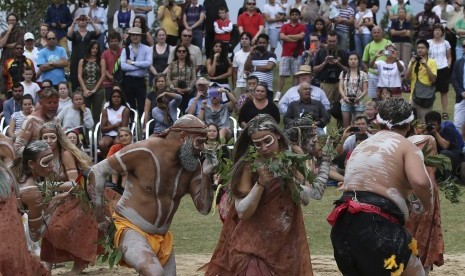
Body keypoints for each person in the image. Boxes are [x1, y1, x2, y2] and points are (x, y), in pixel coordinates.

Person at [204, 114, 330, 275]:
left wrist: (290, 180)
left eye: (267, 141)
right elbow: (242, 211)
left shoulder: (290, 159)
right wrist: (261, 183)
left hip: (284, 246)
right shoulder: (249, 165)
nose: (264, 148)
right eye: (258, 144)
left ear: (277, 135)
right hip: (252, 249)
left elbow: (305, 199)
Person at [88, 114, 215, 275]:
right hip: (130, 228)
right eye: (199, 142)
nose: (202, 149)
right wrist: (100, 218)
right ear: (183, 137)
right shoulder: (144, 151)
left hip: (163, 238)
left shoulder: (193, 166)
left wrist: (206, 174)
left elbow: (204, 209)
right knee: (155, 273)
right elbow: (97, 172)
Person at [328, 97, 433, 276]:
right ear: (408, 125)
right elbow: (421, 182)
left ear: (378, 122)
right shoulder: (407, 146)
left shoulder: (361, 147)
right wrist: (427, 204)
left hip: (343, 229)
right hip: (377, 229)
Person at [38, 122, 95, 274]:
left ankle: (79, 265)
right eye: (45, 138)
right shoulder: (43, 156)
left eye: (52, 137)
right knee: (48, 228)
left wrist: (51, 187)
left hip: (79, 197)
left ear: (58, 138)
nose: (49, 141)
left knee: (58, 227)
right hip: (60, 197)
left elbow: (75, 184)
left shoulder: (65, 154)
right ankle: (46, 265)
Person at [405, 134, 445, 275]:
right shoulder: (428, 139)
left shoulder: (401, 141)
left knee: (416, 235)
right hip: (420, 192)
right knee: (420, 235)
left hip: (411, 192)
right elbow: (430, 175)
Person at [14, 87, 60, 156]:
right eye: (49, 102)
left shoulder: (56, 120)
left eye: (55, 103)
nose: (53, 106)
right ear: (41, 103)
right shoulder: (31, 121)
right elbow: (17, 148)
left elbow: (63, 143)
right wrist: (38, 154)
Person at [121, 27, 152, 116]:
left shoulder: (147, 49)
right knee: (130, 106)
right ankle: (131, 126)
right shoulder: (125, 49)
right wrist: (140, 67)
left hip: (140, 80)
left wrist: (133, 63)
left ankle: (142, 127)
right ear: (130, 36)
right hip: (128, 80)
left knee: (142, 105)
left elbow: (148, 63)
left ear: (140, 36)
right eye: (133, 35)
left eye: (137, 35)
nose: (135, 37)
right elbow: (123, 66)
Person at [404, 39, 437, 123]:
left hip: (426, 98)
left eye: (422, 48)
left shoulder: (432, 62)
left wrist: (425, 64)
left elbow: (433, 79)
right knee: (410, 123)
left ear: (427, 49)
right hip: (413, 98)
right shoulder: (413, 61)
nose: (419, 49)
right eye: (418, 48)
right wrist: (411, 63)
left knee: (424, 123)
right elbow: (406, 77)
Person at [277, 8, 306, 101]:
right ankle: (278, 93)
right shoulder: (285, 26)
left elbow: (301, 36)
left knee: (296, 74)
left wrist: (288, 36)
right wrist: (294, 38)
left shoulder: (302, 26)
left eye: (296, 14)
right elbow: (282, 37)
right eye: (292, 14)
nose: (294, 16)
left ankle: (294, 93)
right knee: (282, 74)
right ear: (290, 15)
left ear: (298, 15)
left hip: (298, 53)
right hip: (285, 53)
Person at [313, 31, 349, 107]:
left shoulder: (343, 53)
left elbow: (347, 70)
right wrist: (324, 63)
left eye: (334, 41)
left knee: (340, 107)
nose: (332, 43)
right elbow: (315, 70)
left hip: (339, 83)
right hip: (326, 83)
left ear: (337, 41)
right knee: (325, 107)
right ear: (326, 40)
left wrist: (338, 64)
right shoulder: (321, 52)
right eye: (330, 41)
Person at [424, 111, 464, 178]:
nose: (432, 127)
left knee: (444, 153)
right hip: (443, 162)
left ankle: (449, 179)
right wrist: (425, 134)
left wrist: (435, 133)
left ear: (439, 123)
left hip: (456, 159)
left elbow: (445, 146)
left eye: (434, 124)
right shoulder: (429, 133)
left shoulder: (447, 129)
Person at [67, 14, 101, 91]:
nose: (82, 21)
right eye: (80, 20)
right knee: (75, 80)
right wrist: (73, 23)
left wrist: (91, 22)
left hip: (87, 59)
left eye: (84, 19)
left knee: (86, 78)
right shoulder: (75, 33)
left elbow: (98, 33)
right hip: (76, 59)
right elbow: (69, 36)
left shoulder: (90, 33)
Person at [77, 40, 106, 124]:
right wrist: (85, 89)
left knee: (96, 114)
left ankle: (96, 133)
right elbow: (79, 76)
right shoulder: (82, 61)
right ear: (89, 48)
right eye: (93, 48)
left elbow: (103, 75)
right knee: (85, 112)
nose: (95, 50)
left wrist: (95, 89)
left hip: (98, 91)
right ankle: (85, 133)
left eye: (96, 48)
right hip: (85, 90)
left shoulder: (101, 61)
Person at [428, 24, 452, 120]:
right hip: (431, 69)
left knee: (444, 91)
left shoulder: (446, 43)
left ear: (442, 32)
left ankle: (444, 111)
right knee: (430, 91)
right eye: (435, 30)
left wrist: (448, 65)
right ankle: (430, 111)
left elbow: (449, 56)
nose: (437, 32)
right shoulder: (428, 42)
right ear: (433, 31)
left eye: (439, 30)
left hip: (443, 68)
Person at [98, 86, 130, 157]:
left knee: (117, 142)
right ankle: (108, 159)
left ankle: (116, 161)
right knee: (102, 143)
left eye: (118, 97)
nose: (116, 98)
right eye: (114, 96)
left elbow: (123, 129)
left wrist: (109, 125)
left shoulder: (125, 110)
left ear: (121, 98)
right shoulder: (106, 110)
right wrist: (115, 125)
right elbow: (102, 129)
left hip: (120, 134)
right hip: (108, 135)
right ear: (111, 98)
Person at [339, 52, 369, 128]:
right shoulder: (343, 73)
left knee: (359, 124)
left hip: (358, 101)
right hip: (345, 101)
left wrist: (359, 98)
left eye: (355, 59)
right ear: (348, 61)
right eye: (351, 59)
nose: (353, 61)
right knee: (346, 125)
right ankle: (346, 139)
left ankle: (358, 139)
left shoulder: (363, 74)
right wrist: (344, 97)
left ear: (358, 61)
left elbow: (365, 90)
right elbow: (340, 87)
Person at [362, 26, 392, 100]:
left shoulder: (388, 43)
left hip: (386, 74)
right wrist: (368, 72)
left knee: (386, 95)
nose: (376, 34)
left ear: (382, 33)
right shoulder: (368, 46)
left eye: (378, 32)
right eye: (374, 32)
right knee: (374, 97)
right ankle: (375, 110)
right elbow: (364, 61)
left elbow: (393, 56)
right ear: (372, 34)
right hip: (373, 75)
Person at [166, 44, 196, 113]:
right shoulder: (172, 64)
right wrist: (174, 88)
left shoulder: (190, 64)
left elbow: (194, 78)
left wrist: (187, 89)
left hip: (187, 93)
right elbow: (168, 77)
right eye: (179, 51)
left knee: (186, 112)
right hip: (174, 92)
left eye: (183, 51)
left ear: (186, 53)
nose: (181, 53)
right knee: (173, 112)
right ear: (176, 53)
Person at [101, 31, 122, 101]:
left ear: (119, 41)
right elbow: (103, 68)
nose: (113, 43)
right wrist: (110, 76)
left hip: (122, 82)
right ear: (108, 42)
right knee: (109, 102)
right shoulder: (105, 54)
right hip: (109, 83)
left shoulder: (124, 52)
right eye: (111, 41)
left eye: (115, 41)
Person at [232, 32, 253, 99]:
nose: (244, 40)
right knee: (239, 106)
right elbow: (235, 72)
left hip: (252, 83)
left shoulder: (254, 53)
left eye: (246, 39)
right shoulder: (237, 54)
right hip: (240, 84)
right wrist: (235, 85)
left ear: (250, 41)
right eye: (242, 39)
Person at [451, 43, 465, 131]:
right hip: (461, 97)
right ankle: (459, 144)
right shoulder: (458, 62)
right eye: (464, 46)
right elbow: (454, 79)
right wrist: (461, 92)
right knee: (457, 125)